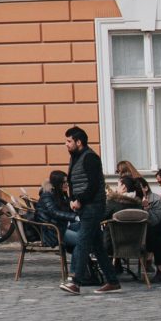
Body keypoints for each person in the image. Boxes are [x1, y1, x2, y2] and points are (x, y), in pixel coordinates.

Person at [61, 125, 113, 294]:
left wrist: (79, 200)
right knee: (97, 245)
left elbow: (93, 185)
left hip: (93, 206)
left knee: (82, 242)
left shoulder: (90, 158)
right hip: (85, 207)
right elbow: (73, 182)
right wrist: (71, 200)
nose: (66, 145)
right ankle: (113, 281)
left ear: (79, 142)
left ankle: (75, 281)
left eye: (69, 141)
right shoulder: (76, 157)